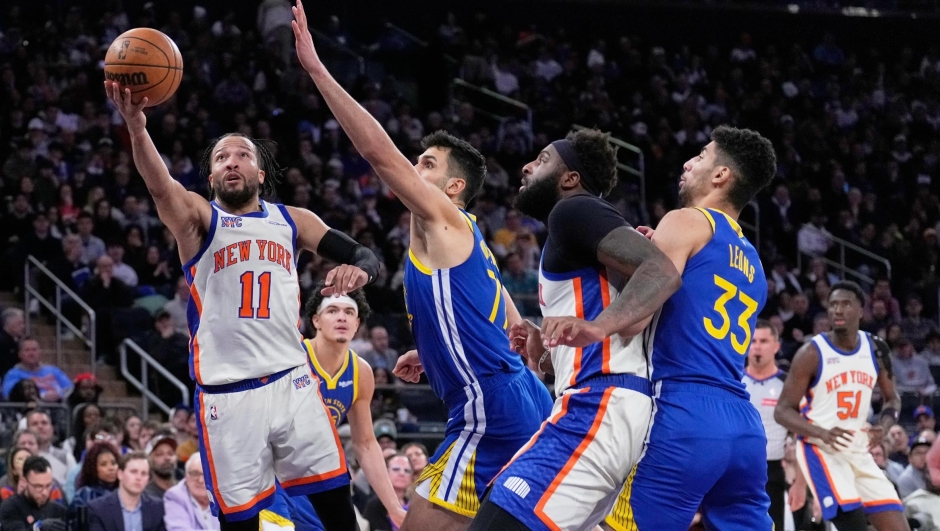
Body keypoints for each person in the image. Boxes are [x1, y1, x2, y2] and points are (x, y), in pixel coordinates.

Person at [290, 5, 553, 530]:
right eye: (417, 161)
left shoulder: (445, 218)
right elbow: (513, 330)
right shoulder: (466, 241)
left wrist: (318, 70)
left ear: (454, 188)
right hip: (511, 396)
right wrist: (435, 355)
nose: (413, 169)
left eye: (426, 165)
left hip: (489, 408)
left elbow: (377, 153)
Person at [106, 46, 383, 530]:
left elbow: (363, 254)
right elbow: (159, 186)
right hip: (227, 394)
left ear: (259, 172)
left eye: (242, 155)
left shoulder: (292, 220)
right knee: (240, 522)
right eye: (221, 157)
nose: (232, 162)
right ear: (211, 175)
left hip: (292, 380)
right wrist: (137, 128)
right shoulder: (198, 220)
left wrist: (362, 270)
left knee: (338, 508)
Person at [467, 126, 680, 531]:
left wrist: (597, 326)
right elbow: (624, 329)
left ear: (570, 178)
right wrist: (544, 354)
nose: (527, 166)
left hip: (599, 406)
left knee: (499, 517)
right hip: (603, 404)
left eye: (543, 159)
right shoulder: (578, 235)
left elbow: (662, 271)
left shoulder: (574, 210)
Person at [267, 284, 406, 527]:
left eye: (349, 312)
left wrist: (394, 508)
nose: (341, 316)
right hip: (270, 473)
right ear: (316, 320)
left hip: (315, 476)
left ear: (357, 323)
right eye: (332, 310)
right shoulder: (291, 359)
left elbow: (365, 444)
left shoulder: (361, 371)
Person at [775, 281, 909, 531]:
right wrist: (821, 432)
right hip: (821, 449)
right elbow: (782, 411)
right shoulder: (811, 353)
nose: (838, 310)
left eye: (846, 304)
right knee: (854, 527)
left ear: (861, 311)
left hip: (858, 450)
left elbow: (893, 399)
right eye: (833, 304)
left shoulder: (877, 349)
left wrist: (884, 425)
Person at [743, 319, 789, 531]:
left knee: (774, 525)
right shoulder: (734, 379)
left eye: (763, 341)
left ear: (776, 346)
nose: (757, 346)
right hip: (738, 466)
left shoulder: (788, 383)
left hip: (776, 468)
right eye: (752, 341)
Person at [87, 452, 165, 531]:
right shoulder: (98, 509)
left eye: (144, 473)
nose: (139, 477)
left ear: (148, 479)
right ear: (120, 474)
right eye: (133, 472)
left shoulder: (158, 508)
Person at [0, 456, 67, 531]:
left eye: (48, 485)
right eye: (38, 486)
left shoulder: (58, 510)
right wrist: (37, 528)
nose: (44, 492)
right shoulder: (11, 507)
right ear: (24, 481)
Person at [2, 339, 73, 402]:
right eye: (27, 350)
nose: (31, 353)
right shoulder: (12, 374)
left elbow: (70, 389)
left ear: (40, 353)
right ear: (20, 354)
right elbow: (8, 395)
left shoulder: (53, 370)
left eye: (34, 350)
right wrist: (42, 397)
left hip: (57, 408)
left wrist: (59, 395)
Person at [164, 454, 220, 531]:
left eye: (206, 475)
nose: (201, 480)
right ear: (185, 476)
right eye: (195, 473)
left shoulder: (221, 496)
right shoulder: (174, 496)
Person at [70, 442, 120, 517]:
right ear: (93, 468)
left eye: (113, 463)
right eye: (103, 464)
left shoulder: (126, 493)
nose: (111, 468)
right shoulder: (84, 495)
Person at [363, 455, 411, 531]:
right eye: (396, 469)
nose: (402, 473)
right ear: (385, 473)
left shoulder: (414, 506)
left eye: (407, 471)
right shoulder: (374, 506)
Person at [26, 410, 75, 485]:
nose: (40, 427)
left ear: (51, 429)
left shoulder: (65, 457)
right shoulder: (23, 456)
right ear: (27, 430)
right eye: (35, 424)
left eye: (44, 423)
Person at [897, 434, 935, 498]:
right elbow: (912, 505)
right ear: (910, 458)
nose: (923, 457)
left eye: (927, 452)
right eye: (918, 453)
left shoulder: (934, 472)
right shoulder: (906, 479)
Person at [0, 308, 25, 377]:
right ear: (9, 323)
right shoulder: (3, 342)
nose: (23, 326)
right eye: (20, 323)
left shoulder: (15, 341)